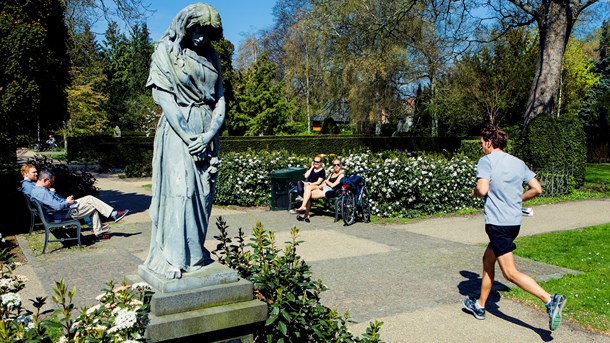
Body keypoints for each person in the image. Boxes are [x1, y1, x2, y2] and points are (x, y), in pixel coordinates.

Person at [142, 3, 225, 279]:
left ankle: (194, 251)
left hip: (207, 133)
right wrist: (192, 139)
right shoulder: (165, 52)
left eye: (208, 32)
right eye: (198, 29)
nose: (202, 37)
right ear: (186, 26)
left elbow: (220, 100)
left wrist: (209, 135)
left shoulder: (212, 56)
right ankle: (173, 256)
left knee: (203, 196)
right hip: (179, 134)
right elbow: (165, 100)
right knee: (181, 191)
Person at [463, 124, 566, 331]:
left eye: (482, 143)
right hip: (513, 223)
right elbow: (537, 189)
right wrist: (516, 199)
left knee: (509, 272)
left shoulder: (486, 161)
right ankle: (480, 305)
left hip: (498, 224)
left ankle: (549, 299)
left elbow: (483, 189)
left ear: (489, 143)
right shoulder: (518, 162)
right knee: (487, 260)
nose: (481, 147)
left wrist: (474, 192)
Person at [30, 169, 129, 239]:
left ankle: (101, 230)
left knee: (91, 203)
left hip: (63, 210)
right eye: (51, 182)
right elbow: (57, 206)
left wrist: (64, 200)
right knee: (91, 202)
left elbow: (53, 203)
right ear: (44, 180)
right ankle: (112, 215)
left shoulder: (38, 190)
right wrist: (67, 203)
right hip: (64, 213)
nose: (52, 184)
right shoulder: (41, 192)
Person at [295, 158, 344, 222]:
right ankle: (304, 209)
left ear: (341, 165)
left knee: (307, 194)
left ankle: (305, 213)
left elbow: (333, 185)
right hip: (325, 188)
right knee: (307, 189)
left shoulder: (341, 174)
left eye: (338, 164)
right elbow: (323, 183)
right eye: (334, 165)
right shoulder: (332, 173)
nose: (336, 166)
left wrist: (326, 181)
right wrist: (320, 186)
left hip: (331, 191)